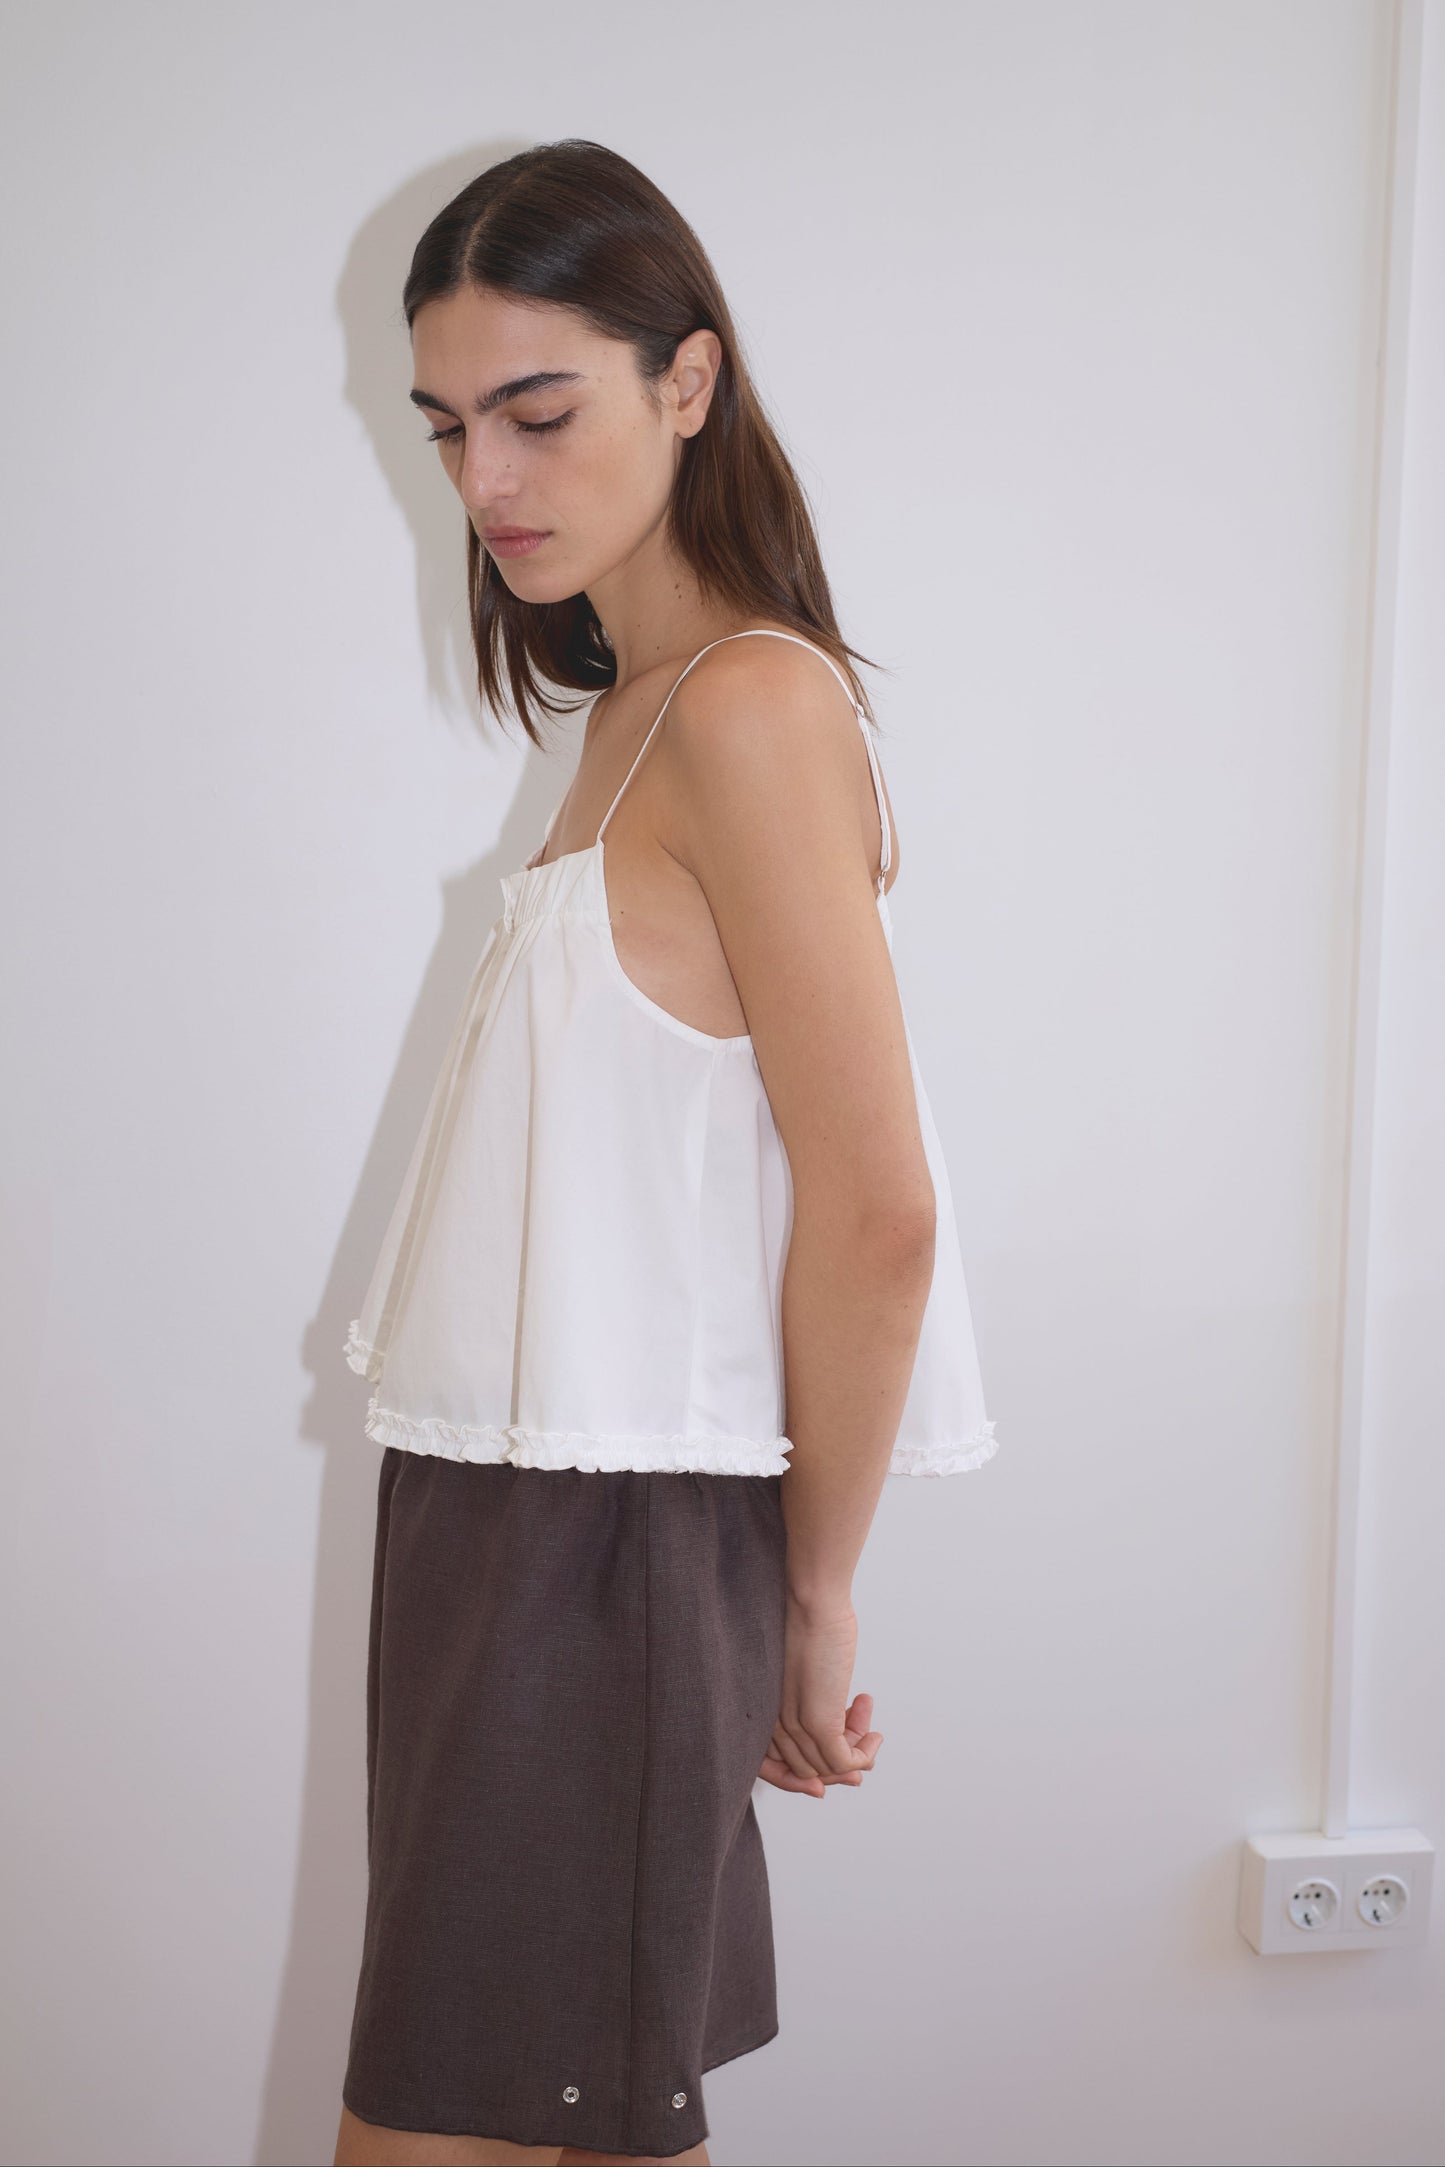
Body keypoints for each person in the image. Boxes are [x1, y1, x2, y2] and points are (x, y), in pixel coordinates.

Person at [333, 138, 998, 2167]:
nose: (491, 481)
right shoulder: (621, 710)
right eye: (453, 427)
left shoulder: (752, 713)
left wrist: (814, 1594)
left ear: (685, 384)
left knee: (458, 2126)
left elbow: (877, 1207)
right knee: (597, 2126)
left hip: (607, 1550)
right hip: (506, 1514)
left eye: (542, 412)